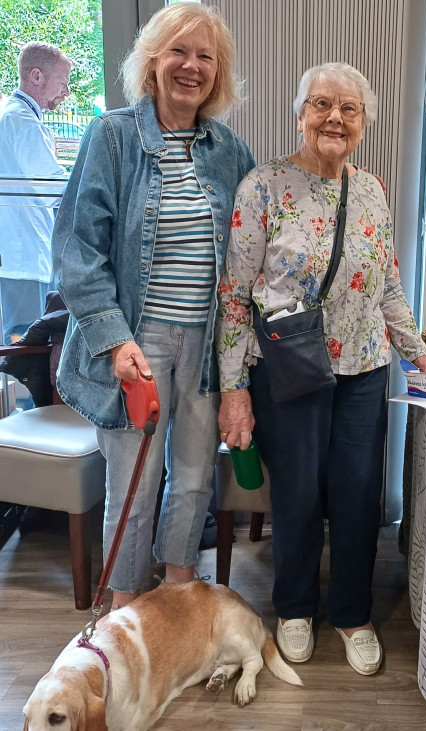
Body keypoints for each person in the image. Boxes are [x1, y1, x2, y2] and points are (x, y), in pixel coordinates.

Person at [216, 62, 426, 675]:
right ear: (300, 115)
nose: (334, 118)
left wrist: (421, 358)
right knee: (298, 494)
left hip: (365, 368)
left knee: (359, 494)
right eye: (321, 105)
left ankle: (353, 613)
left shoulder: (371, 191)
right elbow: (234, 297)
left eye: (349, 109)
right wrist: (234, 388)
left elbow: (389, 284)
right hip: (288, 368)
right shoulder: (262, 187)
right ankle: (293, 608)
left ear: (364, 123)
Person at [53, 3, 254, 609]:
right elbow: (77, 247)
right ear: (152, 61)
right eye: (178, 52)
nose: (191, 67)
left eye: (205, 57)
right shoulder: (111, 136)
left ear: (217, 74)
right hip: (137, 341)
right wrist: (114, 339)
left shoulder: (230, 152)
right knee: (135, 486)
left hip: (205, 350)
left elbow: (243, 261)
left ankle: (177, 593)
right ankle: (121, 605)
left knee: (193, 479)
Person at [0, 42, 72, 344]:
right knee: (25, 345)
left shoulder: (17, 117)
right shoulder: (21, 122)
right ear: (37, 76)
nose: (66, 92)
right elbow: (52, 186)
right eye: (63, 82)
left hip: (26, 253)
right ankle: (31, 395)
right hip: (22, 256)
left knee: (28, 340)